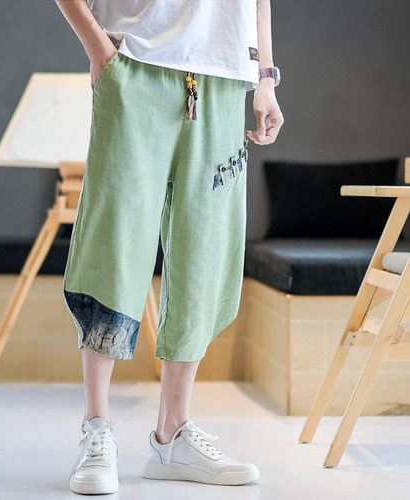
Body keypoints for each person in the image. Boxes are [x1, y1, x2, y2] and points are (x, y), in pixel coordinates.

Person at [54, 0, 284, 495]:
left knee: (205, 251)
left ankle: (172, 436)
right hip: (135, 65)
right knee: (114, 245)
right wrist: (98, 48)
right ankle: (97, 428)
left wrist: (265, 77)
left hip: (224, 78)